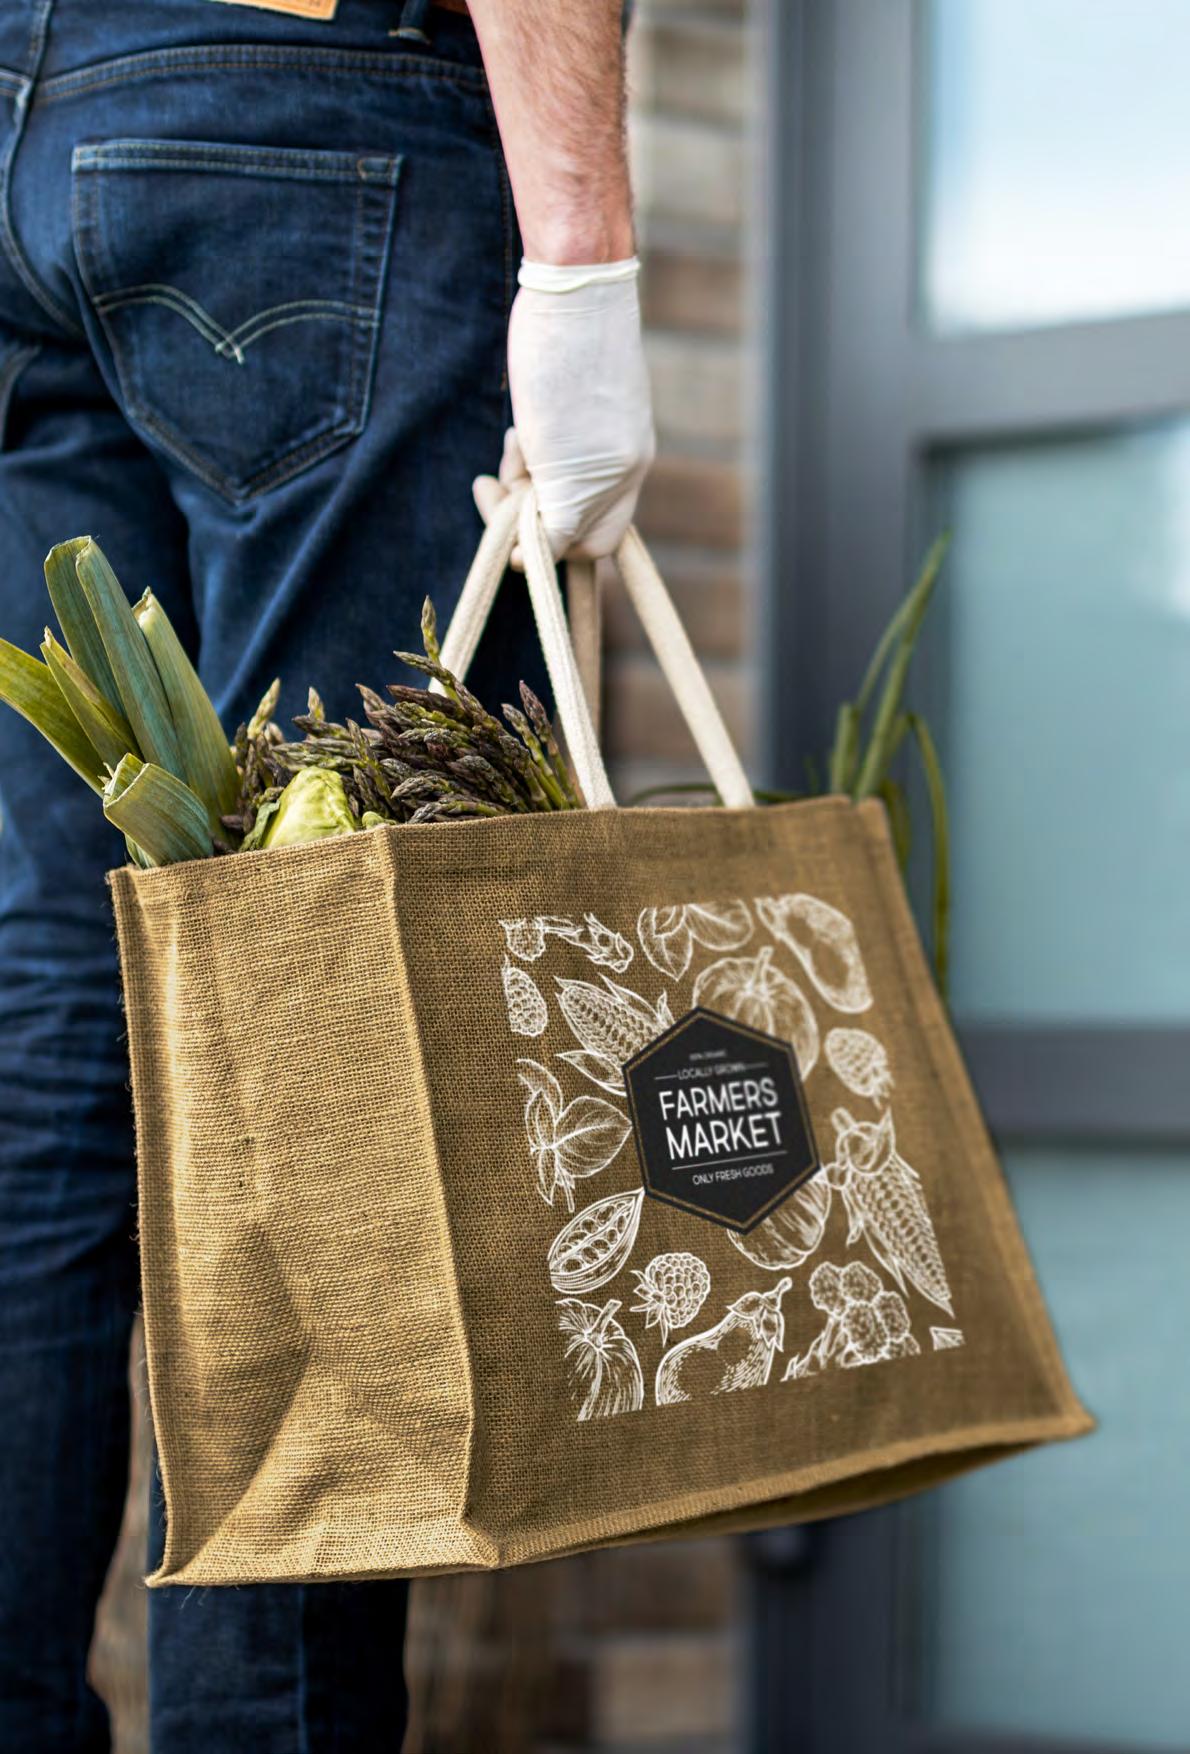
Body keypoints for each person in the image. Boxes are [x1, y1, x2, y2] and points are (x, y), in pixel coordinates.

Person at [0, 1, 653, 1747]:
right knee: (325, 1012)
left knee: (62, 1007)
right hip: (303, 107)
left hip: (26, 124)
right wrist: (583, 255)